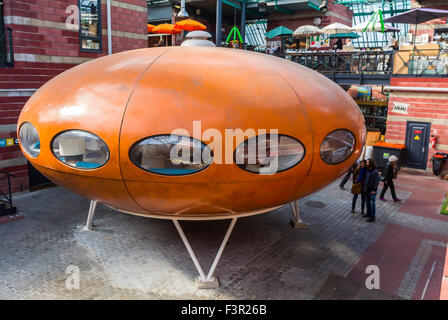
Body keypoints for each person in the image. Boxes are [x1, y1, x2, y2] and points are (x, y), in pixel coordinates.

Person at [363, 158, 380, 223]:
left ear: (371, 163)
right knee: (367, 202)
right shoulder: (367, 170)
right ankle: (368, 214)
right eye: (366, 162)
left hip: (372, 190)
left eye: (367, 162)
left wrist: (374, 190)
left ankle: (372, 217)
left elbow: (376, 181)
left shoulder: (375, 172)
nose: (366, 163)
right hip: (367, 189)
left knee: (372, 203)